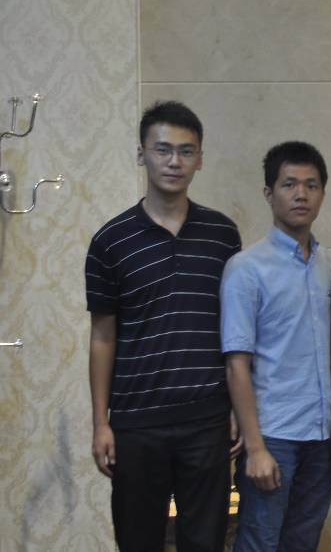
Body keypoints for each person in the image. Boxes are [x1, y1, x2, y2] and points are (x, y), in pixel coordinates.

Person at [86, 100, 242, 552]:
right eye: (162, 149)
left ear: (200, 159)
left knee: (206, 542)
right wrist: (101, 423)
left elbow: (236, 331)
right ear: (142, 155)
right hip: (136, 423)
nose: (174, 161)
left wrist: (236, 408)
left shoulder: (223, 235)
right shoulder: (110, 241)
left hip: (207, 419)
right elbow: (102, 337)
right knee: (138, 541)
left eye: (186, 151)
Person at [220, 141, 331, 551]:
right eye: (289, 185)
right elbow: (236, 364)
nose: (301, 194)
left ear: (322, 193)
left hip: (322, 434)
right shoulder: (246, 269)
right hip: (273, 435)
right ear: (269, 194)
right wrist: (254, 448)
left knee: (303, 543)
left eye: (311, 185)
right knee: (259, 542)